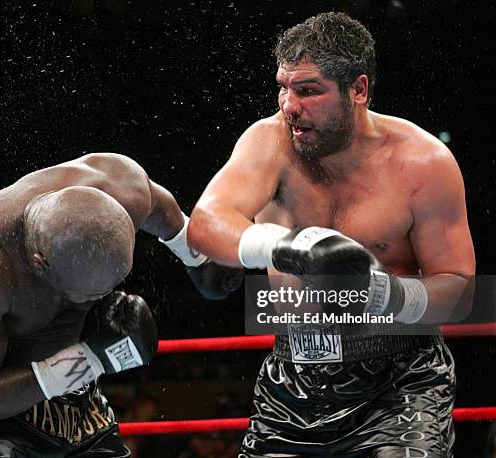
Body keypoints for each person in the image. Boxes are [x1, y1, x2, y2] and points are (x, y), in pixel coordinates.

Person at [188, 12, 475, 457]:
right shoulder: (269, 142)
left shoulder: (422, 163)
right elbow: (205, 224)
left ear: (358, 90)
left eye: (307, 90)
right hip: (295, 375)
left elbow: (458, 288)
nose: (289, 105)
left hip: (398, 382)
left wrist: (383, 294)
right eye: (283, 87)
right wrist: (289, 250)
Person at [0, 152, 240, 457]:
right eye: (85, 294)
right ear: (40, 263)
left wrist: (195, 257)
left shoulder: (122, 187)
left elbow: (162, 209)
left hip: (61, 371)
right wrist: (89, 360)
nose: (100, 299)